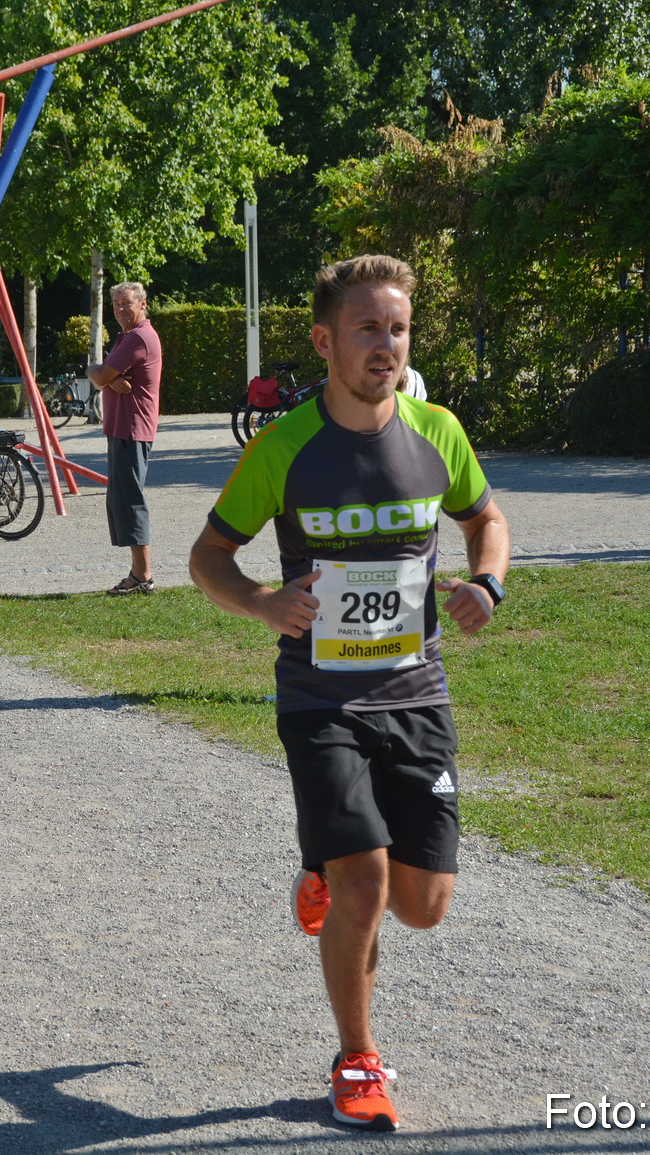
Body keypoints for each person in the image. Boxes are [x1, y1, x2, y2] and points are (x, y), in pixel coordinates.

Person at [188, 255, 509, 1133]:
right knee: (365, 883)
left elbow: (486, 517)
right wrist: (259, 599)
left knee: (421, 905)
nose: (387, 345)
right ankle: (357, 1056)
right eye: (368, 329)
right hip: (320, 698)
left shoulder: (437, 430)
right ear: (326, 340)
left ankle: (323, 870)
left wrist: (489, 580)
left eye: (398, 329)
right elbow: (207, 556)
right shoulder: (284, 446)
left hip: (417, 693)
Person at [87, 281, 162, 595]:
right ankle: (137, 573)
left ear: (142, 304)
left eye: (126, 303)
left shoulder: (139, 337)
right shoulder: (126, 337)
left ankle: (143, 577)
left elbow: (98, 376)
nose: (120, 309)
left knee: (131, 500)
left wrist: (104, 374)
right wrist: (106, 375)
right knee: (122, 499)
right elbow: (101, 375)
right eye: (116, 304)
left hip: (132, 429)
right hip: (122, 429)